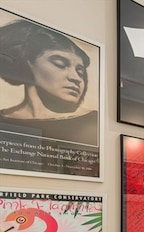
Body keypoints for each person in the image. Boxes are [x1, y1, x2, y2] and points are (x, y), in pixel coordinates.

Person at [0, 18, 97, 146]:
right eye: (60, 64)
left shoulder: (94, 121)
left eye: (80, 72)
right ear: (28, 64)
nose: (76, 78)